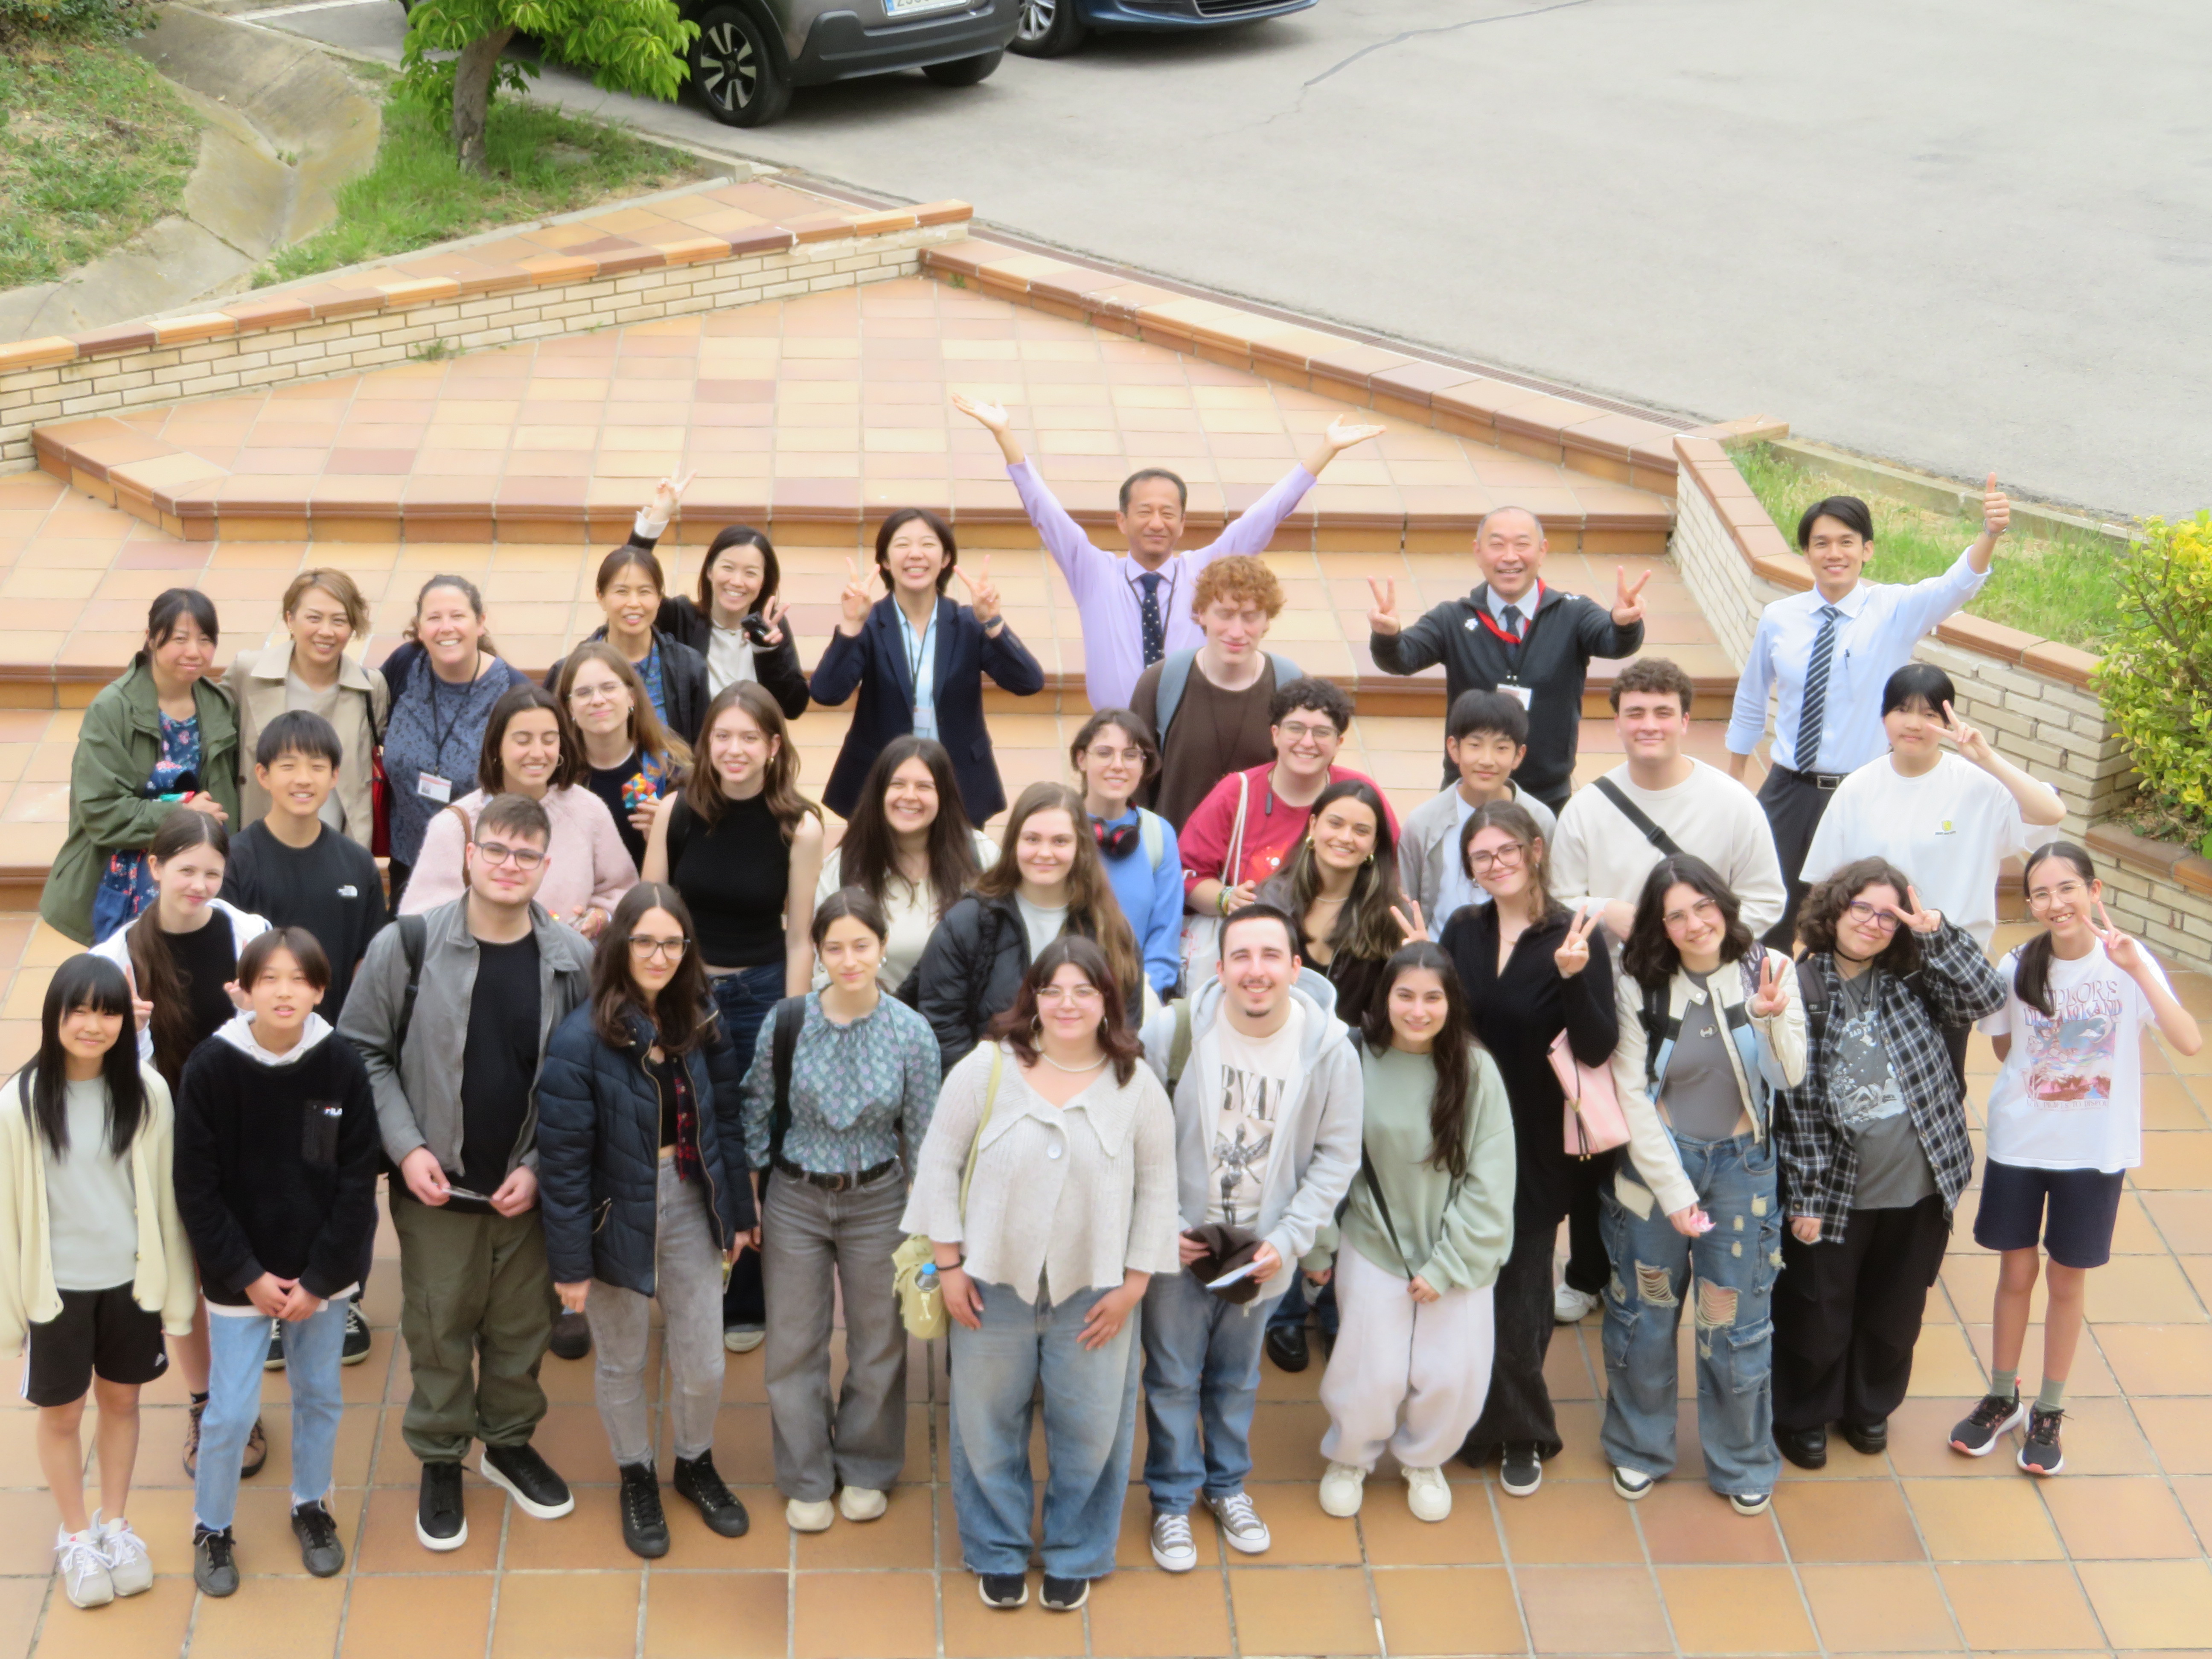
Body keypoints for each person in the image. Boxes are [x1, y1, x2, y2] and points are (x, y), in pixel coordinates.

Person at [338, 792, 596, 1552]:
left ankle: (508, 1441)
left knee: (522, 1330)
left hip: (527, 1198)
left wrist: (546, 1166)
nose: (510, 865)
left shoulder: (572, 960)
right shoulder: (407, 944)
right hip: (438, 1191)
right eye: (498, 850)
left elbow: (587, 1080)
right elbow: (361, 1049)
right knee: (438, 1327)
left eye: (526, 855)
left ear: (545, 869)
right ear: (469, 856)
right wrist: (406, 1144)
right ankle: (442, 1453)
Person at [902, 937, 1179, 1613]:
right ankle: (996, 1548)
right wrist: (950, 1266)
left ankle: (1076, 1550)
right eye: (1053, 989)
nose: (1068, 1003)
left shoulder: (1134, 1083)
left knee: (1091, 1429)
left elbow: (1158, 1186)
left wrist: (1135, 1286)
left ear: (1108, 1002)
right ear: (1032, 996)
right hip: (990, 1286)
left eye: (1085, 990)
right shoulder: (986, 1067)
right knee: (983, 1421)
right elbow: (938, 1161)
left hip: (1097, 1292)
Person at [1950, 846, 2201, 1476]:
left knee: (2067, 1279)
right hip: (2021, 1144)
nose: (2056, 903)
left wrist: (2137, 971)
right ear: (2029, 903)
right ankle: (2002, 1396)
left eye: (2068, 888)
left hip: (2093, 1152)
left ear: (2094, 891)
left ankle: (2050, 1409)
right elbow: (2006, 1044)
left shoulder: (2128, 961)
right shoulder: (2016, 964)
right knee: (2014, 1275)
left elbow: (2189, 1040)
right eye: (2041, 893)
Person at [1130, 899, 1364, 1574]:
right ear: (1219, 965)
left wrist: (1287, 1241)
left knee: (1235, 1380)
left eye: (1270, 956)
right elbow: (1137, 1134)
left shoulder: (1328, 1051)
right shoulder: (1172, 1034)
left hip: (1261, 1256)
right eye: (1241, 956)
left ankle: (1227, 1486)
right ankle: (1173, 1499)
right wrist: (1161, 1222)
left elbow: (1336, 1156)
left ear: (1296, 966)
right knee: (1172, 1376)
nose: (1255, 971)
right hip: (1181, 1247)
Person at [536, 885, 757, 1558]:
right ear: (620, 945)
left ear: (687, 950)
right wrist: (570, 1265)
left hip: (691, 1195)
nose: (658, 956)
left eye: (672, 943)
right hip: (613, 1214)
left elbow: (728, 1121)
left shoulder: (702, 1018)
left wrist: (740, 1213)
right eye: (644, 941)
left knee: (704, 1362)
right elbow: (565, 1164)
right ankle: (636, 1474)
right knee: (623, 1360)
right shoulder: (580, 1041)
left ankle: (694, 1462)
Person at [1769, 858, 2005, 1470]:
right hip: (1838, 1189)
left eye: (1887, 915)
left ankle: (1868, 1407)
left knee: (1896, 1311)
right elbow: (1798, 1108)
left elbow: (1986, 997)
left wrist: (1935, 932)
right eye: (1862, 909)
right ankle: (1804, 1413)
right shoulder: (1798, 986)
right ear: (1835, 909)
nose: (1874, 924)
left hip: (1922, 1182)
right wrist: (1808, 1199)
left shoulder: (1915, 978)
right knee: (1818, 1310)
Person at [175, 928, 378, 1597]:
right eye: (270, 978)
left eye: (299, 979)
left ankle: (312, 1505)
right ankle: (212, 1527)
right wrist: (249, 1276)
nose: (284, 991)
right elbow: (197, 1191)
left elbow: (354, 1182)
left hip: (321, 1278)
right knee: (229, 1413)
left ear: (320, 990)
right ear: (246, 989)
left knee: (319, 1394)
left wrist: (320, 1280)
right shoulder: (210, 1068)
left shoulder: (340, 1065)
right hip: (242, 1277)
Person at [955, 394, 1382, 711]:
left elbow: (1265, 515)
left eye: (1168, 513)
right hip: (1116, 734)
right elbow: (1045, 512)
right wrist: (1004, 435)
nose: (1156, 523)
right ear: (1122, 521)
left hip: (1189, 727)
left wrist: (1325, 450)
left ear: (1182, 523)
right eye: (1144, 512)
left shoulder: (1205, 571)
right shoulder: (1093, 572)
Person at [1726, 479, 2014, 946]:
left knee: (1856, 920)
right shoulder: (1781, 617)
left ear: (1868, 550)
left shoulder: (1894, 610)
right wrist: (1736, 780)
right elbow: (1751, 696)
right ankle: (1768, 1009)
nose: (1834, 553)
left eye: (1846, 542)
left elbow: (1957, 585)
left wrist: (1990, 533)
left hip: (1862, 791)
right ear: (1806, 552)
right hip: (1789, 789)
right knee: (1765, 916)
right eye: (1821, 543)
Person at [1601, 858, 1805, 1516]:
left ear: (1725, 903)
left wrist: (1770, 1018)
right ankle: (1639, 1446)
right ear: (1660, 926)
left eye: (1704, 905)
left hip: (1742, 1171)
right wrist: (1675, 1193)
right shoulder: (1636, 980)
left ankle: (1742, 1459)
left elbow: (1790, 1076)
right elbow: (1630, 1094)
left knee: (1736, 1320)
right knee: (1643, 1311)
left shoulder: (1770, 968)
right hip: (1652, 1174)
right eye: (1677, 914)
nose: (1696, 924)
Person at [741, 889, 940, 1533]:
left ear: (882, 947)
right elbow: (756, 1105)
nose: (849, 960)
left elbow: (926, 1130)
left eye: (862, 945)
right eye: (835, 947)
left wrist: (927, 1222)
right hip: (797, 1194)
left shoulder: (912, 1032)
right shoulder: (789, 1020)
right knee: (794, 1345)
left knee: (879, 1340)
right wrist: (750, 1190)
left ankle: (866, 1465)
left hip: (878, 1197)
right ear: (819, 952)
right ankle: (805, 1474)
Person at [0, 955, 192, 1610]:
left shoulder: (147, 1092)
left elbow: (166, 1200)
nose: (93, 1024)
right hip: (57, 1294)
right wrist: (11, 1312)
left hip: (130, 1288)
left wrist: (173, 1293)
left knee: (123, 1405)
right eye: (79, 1009)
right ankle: (76, 1534)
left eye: (108, 1010)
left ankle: (115, 1525)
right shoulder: (20, 1102)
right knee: (61, 1415)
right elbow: (6, 1217)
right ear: (54, 1014)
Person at [1438, 801, 1616, 1496]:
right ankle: (1472, 1415)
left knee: (1518, 1293)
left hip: (1539, 1139)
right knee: (1464, 1286)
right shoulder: (1461, 928)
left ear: (1534, 849)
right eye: (1480, 856)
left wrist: (1573, 978)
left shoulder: (1573, 933)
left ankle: (1522, 1430)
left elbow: (1597, 1045)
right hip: (1461, 1131)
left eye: (1505, 850)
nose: (1494, 864)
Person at [641, 682, 825, 1353]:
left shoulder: (799, 826)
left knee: (752, 1140)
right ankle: (688, 1276)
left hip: (759, 996)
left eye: (751, 737)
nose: (736, 749)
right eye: (724, 736)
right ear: (707, 743)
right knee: (683, 1133)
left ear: (775, 746)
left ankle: (747, 1289)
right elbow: (649, 917)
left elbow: (801, 934)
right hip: (682, 995)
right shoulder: (676, 811)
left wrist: (790, 1024)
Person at [90, 811, 274, 1473]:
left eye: (212, 872)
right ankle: (210, 1403)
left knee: (243, 1267)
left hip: (246, 1130)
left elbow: (293, 1032)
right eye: (185, 869)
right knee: (188, 1276)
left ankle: (243, 1396)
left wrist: (256, 1016)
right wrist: (118, 1037)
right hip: (166, 1141)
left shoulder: (249, 936)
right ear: (155, 866)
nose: (198, 884)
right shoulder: (113, 961)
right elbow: (77, 1071)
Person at [1313, 943, 1514, 1522]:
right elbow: (1327, 1159)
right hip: (1373, 1240)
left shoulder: (1476, 1070)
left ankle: (1424, 1459)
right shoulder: (1351, 1058)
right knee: (1368, 1367)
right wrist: (1320, 1246)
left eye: (1433, 997)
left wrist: (1446, 1265)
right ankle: (1350, 1456)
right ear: (1385, 997)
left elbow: (1491, 1179)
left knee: (1455, 1371)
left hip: (1456, 1250)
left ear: (1452, 1002)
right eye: (1406, 995)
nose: (1418, 1010)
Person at [1801, 662, 2065, 1081]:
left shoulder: (1978, 786)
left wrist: (1987, 758)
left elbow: (2051, 813)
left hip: (1948, 966)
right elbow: (1824, 886)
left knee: (1941, 1085)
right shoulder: (1859, 788)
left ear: (1949, 722)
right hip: (1870, 960)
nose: (1915, 724)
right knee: (1866, 1085)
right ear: (1884, 716)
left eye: (1930, 715)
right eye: (1903, 710)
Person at [1365, 509, 1648, 808]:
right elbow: (1402, 659)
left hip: (1547, 794)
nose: (1510, 557)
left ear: (1542, 552)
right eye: (1497, 545)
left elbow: (1613, 642)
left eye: (1522, 545)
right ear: (1478, 552)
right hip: (1468, 793)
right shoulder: (1453, 618)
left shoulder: (1572, 613)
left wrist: (1624, 624)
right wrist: (1388, 635)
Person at [810, 509, 1044, 824]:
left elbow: (1029, 682)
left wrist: (993, 622)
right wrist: (851, 626)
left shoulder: (968, 624)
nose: (915, 555)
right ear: (885, 561)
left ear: (946, 558)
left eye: (928, 545)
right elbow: (826, 693)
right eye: (903, 545)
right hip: (882, 782)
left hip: (957, 780)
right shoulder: (870, 624)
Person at [910, 783, 1145, 1079]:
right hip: (987, 1101)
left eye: (1060, 841)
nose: (1044, 853)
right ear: (1014, 843)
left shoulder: (1110, 929)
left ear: (1080, 848)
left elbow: (1125, 1027)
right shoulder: (967, 924)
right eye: (1032, 839)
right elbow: (942, 1028)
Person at [43, 590, 239, 946]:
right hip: (124, 882)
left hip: (196, 879)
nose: (194, 651)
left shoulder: (220, 706)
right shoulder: (111, 709)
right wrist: (180, 817)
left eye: (206, 640)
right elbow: (101, 811)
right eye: (180, 639)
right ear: (151, 639)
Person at [1551, 657, 1788, 943]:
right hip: (1618, 977)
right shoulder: (1584, 810)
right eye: (1635, 713)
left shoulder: (1735, 804)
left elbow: (1765, 900)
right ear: (1618, 723)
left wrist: (1702, 942)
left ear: (1685, 721)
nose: (1649, 726)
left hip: (1707, 975)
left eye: (1663, 713)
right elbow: (1559, 900)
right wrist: (1607, 911)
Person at [399, 684, 635, 938]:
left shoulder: (589, 811)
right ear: (497, 746)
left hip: (568, 971)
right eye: (523, 741)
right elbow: (421, 920)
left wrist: (599, 918)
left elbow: (623, 892)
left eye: (549, 740)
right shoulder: (456, 825)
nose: (537, 753)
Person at [1179, 677, 1401, 924]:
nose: (1307, 742)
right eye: (1295, 729)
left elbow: (1393, 867)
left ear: (1339, 743)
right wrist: (1227, 899)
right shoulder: (1236, 793)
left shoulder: (1359, 793)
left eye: (1322, 733)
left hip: (1343, 940)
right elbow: (1188, 875)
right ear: (1275, 734)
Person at [220, 711, 388, 1022]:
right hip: (253, 1037)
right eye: (288, 765)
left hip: (335, 1039)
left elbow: (368, 960)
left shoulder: (358, 863)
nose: (304, 778)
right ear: (263, 775)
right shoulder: (235, 861)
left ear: (334, 776)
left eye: (317, 766)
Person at [378, 575, 527, 903]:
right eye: (434, 618)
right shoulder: (404, 667)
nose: (446, 627)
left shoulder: (513, 693)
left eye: (458, 616)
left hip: (480, 874)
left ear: (480, 623)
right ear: (420, 628)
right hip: (409, 865)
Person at [1128, 555, 1303, 831]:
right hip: (1174, 860)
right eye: (1225, 614)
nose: (1237, 631)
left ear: (1267, 620)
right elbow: (1133, 783)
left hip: (1258, 864)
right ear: (1201, 613)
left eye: (1250, 617)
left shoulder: (1290, 687)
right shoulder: (1161, 683)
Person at [812, 736, 995, 993]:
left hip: (960, 1025)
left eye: (924, 786)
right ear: (879, 793)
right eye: (897, 784)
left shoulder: (982, 857)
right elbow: (823, 968)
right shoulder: (845, 867)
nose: (910, 797)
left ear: (944, 794)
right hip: (875, 1026)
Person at [225, 569, 388, 847]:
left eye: (339, 621)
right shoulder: (248, 674)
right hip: (259, 848)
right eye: (314, 618)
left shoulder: (370, 687)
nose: (326, 632)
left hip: (338, 851)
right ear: (290, 619)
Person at [629, 477, 810, 716]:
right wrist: (657, 518)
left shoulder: (770, 626)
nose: (737, 581)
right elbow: (626, 578)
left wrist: (766, 652)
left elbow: (793, 707)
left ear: (764, 582)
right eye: (728, 568)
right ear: (709, 571)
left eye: (750, 573)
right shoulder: (681, 617)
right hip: (691, 751)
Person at [1398, 690, 1558, 927]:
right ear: (1454, 749)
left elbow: (1551, 892)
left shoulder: (1539, 819)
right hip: (1440, 954)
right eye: (1475, 745)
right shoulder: (1424, 823)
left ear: (1519, 755)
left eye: (1501, 748)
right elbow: (1406, 902)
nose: (1487, 760)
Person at [1256, 779, 1407, 1027]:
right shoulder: (1271, 901)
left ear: (1374, 843)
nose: (1345, 838)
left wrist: (1418, 961)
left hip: (1355, 1054)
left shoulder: (1393, 916)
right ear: (1313, 826)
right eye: (1335, 824)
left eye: (1361, 831)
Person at [544, 541, 710, 744]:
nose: (634, 603)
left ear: (659, 598)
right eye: (622, 592)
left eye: (644, 592)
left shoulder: (689, 667)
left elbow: (701, 748)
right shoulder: (568, 672)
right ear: (601, 596)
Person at [1071, 710, 1183, 1000]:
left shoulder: (1160, 834)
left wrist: (1140, 1006)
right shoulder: (1057, 827)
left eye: (1131, 755)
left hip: (1136, 1004)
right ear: (1082, 760)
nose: (1118, 766)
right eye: (1105, 753)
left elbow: (1164, 939)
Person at [554, 643, 691, 870]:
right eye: (584, 692)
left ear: (631, 698)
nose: (597, 700)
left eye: (609, 688)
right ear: (570, 709)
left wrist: (670, 834)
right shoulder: (559, 777)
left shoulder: (670, 771)